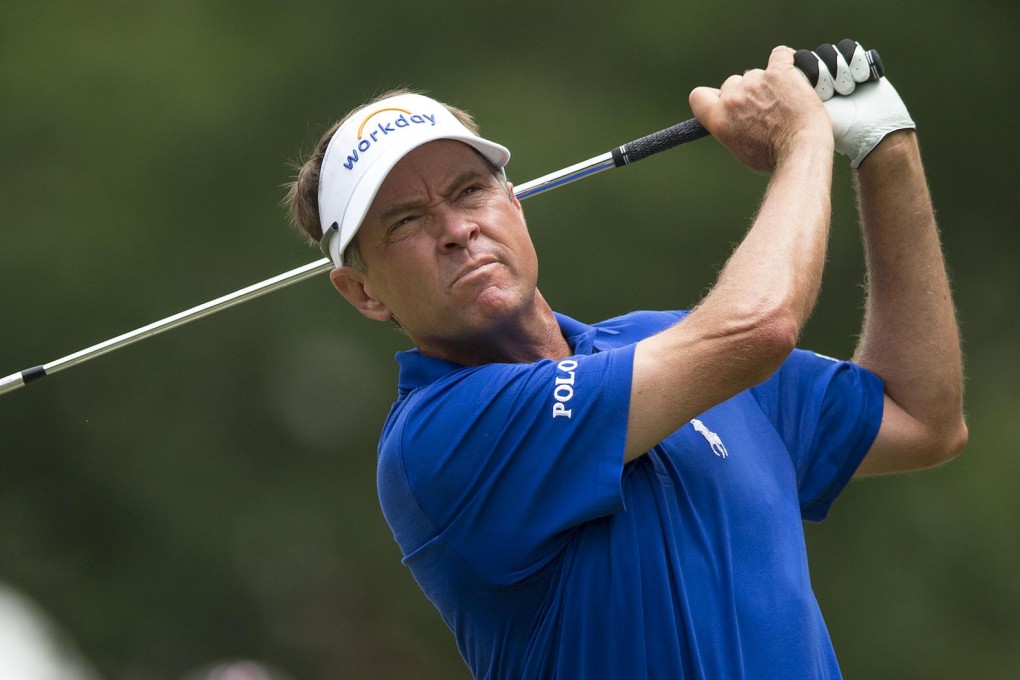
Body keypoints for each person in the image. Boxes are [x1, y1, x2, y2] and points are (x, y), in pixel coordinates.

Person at [284, 42, 967, 679]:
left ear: (515, 205)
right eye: (406, 220)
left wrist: (886, 149)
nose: (457, 230)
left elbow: (923, 417)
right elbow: (758, 328)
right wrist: (804, 139)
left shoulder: (669, 343)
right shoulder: (438, 436)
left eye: (470, 190)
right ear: (362, 291)